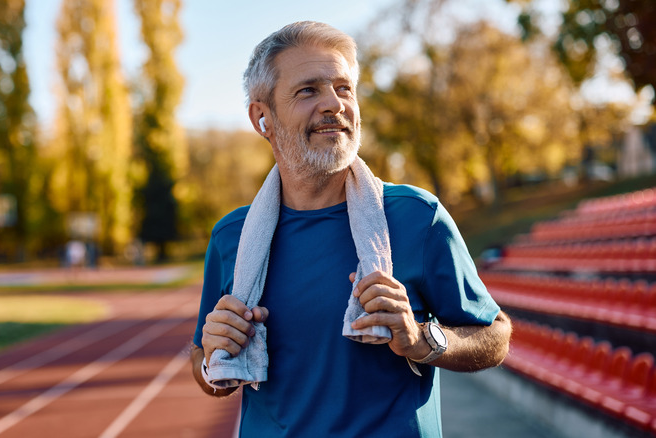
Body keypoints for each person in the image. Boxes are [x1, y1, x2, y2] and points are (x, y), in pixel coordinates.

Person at [190, 21, 511, 437]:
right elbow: (206, 369)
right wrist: (209, 357)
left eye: (343, 88)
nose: (334, 104)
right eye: (308, 90)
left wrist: (421, 340)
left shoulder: (417, 216)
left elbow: (495, 338)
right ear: (262, 118)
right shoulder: (230, 237)